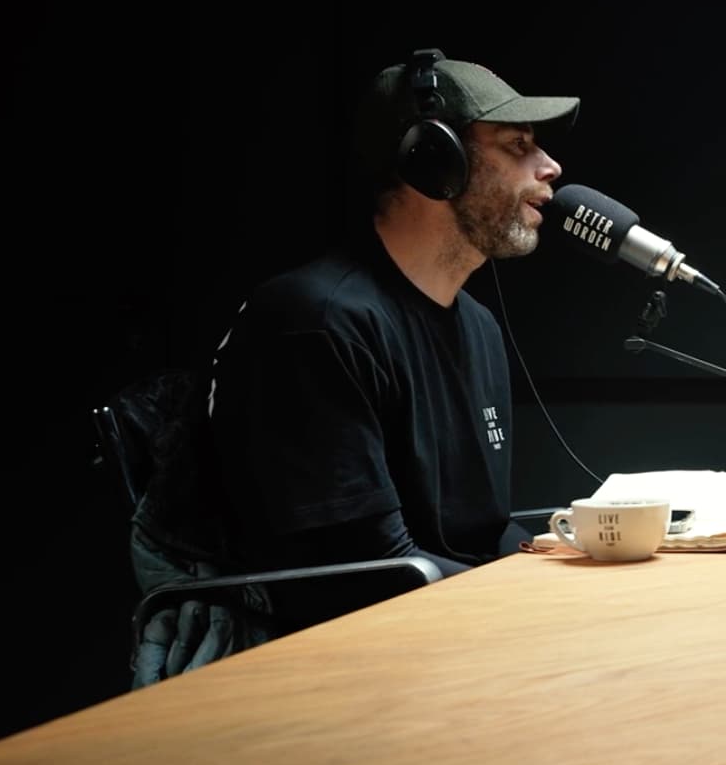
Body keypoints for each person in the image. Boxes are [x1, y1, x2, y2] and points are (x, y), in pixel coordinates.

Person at [131, 47, 578, 646]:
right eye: (517, 145)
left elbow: (475, 533)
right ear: (433, 160)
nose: (549, 167)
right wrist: (537, 610)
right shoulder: (315, 323)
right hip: (335, 656)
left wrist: (579, 561)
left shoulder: (477, 327)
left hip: (439, 633)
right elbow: (364, 578)